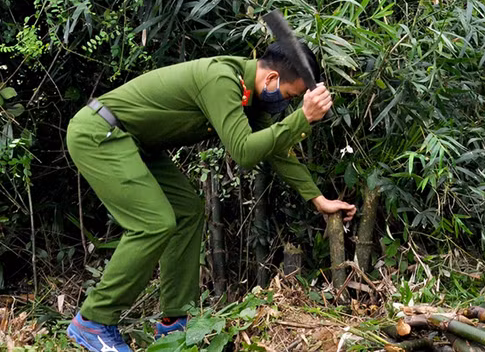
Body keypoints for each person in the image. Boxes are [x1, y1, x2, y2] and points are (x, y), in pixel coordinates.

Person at [65, 43, 356, 352]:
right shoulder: (221, 79)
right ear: (271, 78)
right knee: (154, 223)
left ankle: (174, 321)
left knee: (188, 211)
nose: (288, 105)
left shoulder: (250, 95)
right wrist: (303, 118)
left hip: (136, 144)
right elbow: (243, 151)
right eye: (290, 97)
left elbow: (276, 150)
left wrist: (317, 199)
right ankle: (93, 320)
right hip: (101, 133)